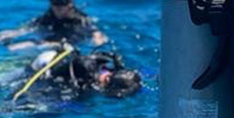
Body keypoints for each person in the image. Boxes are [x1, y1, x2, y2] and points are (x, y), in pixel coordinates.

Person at [10, 46, 142, 106]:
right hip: (43, 68)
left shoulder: (108, 67)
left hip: (51, 56)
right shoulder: (90, 78)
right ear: (108, 79)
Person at [0, 0, 108, 51]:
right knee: (12, 48)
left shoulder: (79, 20)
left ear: (70, 3)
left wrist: (97, 38)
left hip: (69, 46)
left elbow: (94, 33)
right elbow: (32, 26)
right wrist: (15, 33)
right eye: (54, 2)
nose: (57, 7)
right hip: (48, 43)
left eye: (61, 2)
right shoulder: (49, 16)